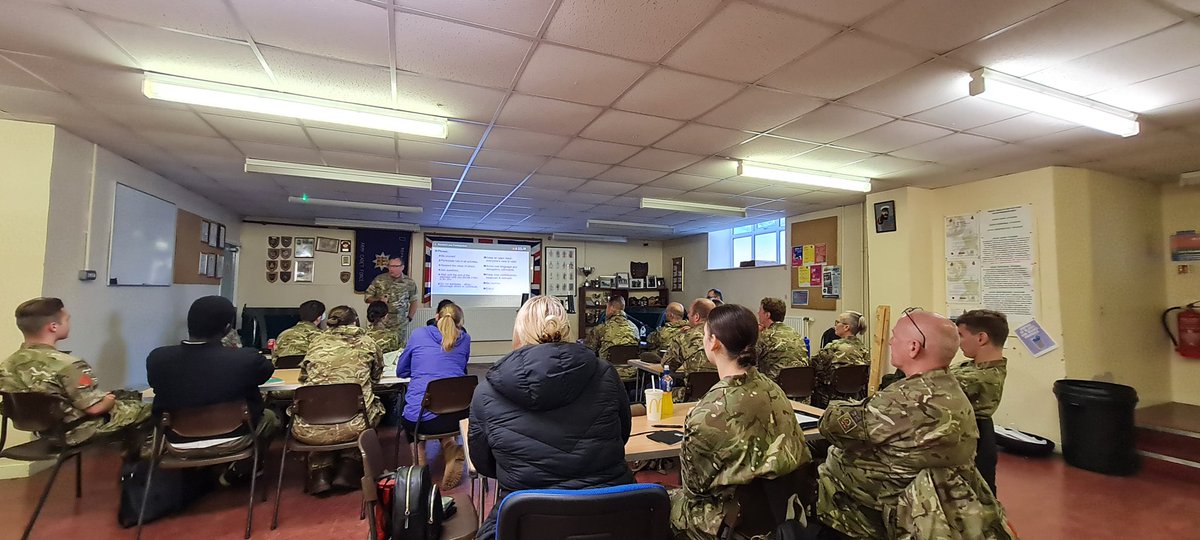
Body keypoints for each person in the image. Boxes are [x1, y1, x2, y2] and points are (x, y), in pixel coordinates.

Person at [815, 309, 1014, 540]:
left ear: (913, 347)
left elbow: (831, 425)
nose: (890, 341)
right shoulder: (954, 390)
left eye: (895, 337)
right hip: (928, 507)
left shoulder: (901, 402)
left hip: (873, 510)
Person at [468, 296, 632, 539]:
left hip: (529, 516)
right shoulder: (606, 373)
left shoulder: (486, 392)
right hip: (614, 512)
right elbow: (623, 434)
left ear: (519, 332)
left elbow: (484, 464)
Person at [670, 304, 812, 540]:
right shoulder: (774, 389)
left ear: (714, 342)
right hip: (781, 512)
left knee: (661, 500)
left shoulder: (707, 413)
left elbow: (694, 490)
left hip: (734, 522)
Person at [146, 296, 277, 484]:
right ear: (226, 329)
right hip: (235, 437)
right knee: (272, 418)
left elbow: (156, 385)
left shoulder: (157, 359)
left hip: (176, 442)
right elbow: (266, 371)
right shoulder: (244, 359)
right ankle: (242, 469)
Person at [0, 298, 150, 451]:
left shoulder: (7, 365)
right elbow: (95, 408)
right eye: (66, 319)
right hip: (74, 432)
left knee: (124, 396)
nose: (69, 323)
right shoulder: (68, 365)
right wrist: (109, 401)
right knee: (151, 409)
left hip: (43, 431)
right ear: (53, 327)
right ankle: (137, 468)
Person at [295, 306, 384, 495]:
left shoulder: (316, 341)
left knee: (325, 415)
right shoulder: (367, 342)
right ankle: (348, 467)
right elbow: (376, 377)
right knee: (372, 409)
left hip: (309, 426)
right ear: (355, 322)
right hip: (354, 423)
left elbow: (303, 378)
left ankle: (320, 474)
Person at [397, 303, 470, 489]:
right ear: (460, 323)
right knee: (440, 406)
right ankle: (451, 449)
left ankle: (421, 472)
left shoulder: (419, 334)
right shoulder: (465, 339)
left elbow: (401, 370)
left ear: (436, 317)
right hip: (458, 416)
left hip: (422, 419)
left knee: (413, 418)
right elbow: (460, 368)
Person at [953, 309, 1010, 496]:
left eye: (961, 335)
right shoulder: (971, 367)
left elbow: (929, 386)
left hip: (974, 440)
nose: (958, 341)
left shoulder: (979, 378)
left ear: (981, 338)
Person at [661, 298, 716, 401]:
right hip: (721, 394)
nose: (687, 316)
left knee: (662, 391)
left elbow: (667, 365)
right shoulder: (726, 334)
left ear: (696, 317)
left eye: (690, 313)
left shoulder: (684, 336)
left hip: (693, 394)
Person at [811, 311, 868, 408]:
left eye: (837, 322)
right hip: (855, 397)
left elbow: (813, 364)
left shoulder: (833, 347)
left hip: (830, 396)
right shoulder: (863, 349)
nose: (834, 326)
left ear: (846, 327)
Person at [364, 256, 420, 348]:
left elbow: (414, 301)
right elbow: (367, 297)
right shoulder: (379, 279)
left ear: (402, 267)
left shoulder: (409, 282)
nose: (391, 269)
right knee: (378, 348)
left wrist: (409, 318)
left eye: (395, 266)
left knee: (398, 349)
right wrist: (379, 300)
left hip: (399, 324)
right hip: (380, 322)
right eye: (390, 266)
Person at [584, 296, 640, 380]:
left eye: (607, 307)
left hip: (608, 373)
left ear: (611, 307)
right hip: (632, 372)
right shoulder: (634, 328)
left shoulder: (601, 328)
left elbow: (588, 350)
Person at [754, 297, 809, 381]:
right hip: (801, 384)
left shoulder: (766, 336)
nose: (758, 313)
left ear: (767, 315)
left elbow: (751, 361)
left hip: (776, 385)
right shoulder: (794, 332)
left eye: (760, 311)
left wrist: (757, 334)